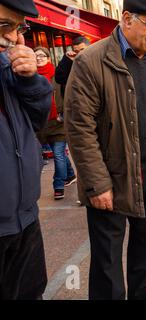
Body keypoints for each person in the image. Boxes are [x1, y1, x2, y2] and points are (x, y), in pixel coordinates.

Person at [64, 0, 146, 300]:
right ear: (126, 19)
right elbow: (80, 127)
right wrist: (96, 183)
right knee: (107, 254)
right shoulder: (91, 60)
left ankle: (144, 293)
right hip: (112, 175)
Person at [0, 0, 53, 299]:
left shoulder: (7, 65)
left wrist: (30, 79)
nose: (13, 37)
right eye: (4, 24)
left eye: (18, 27)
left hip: (25, 216)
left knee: (31, 291)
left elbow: (38, 121)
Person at [34, 46, 76, 200]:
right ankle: (70, 174)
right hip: (41, 125)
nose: (38, 58)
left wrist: (63, 115)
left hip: (58, 123)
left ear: (48, 58)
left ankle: (58, 186)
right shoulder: (29, 77)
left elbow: (68, 95)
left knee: (58, 154)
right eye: (35, 56)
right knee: (60, 156)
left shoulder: (57, 74)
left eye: (41, 56)